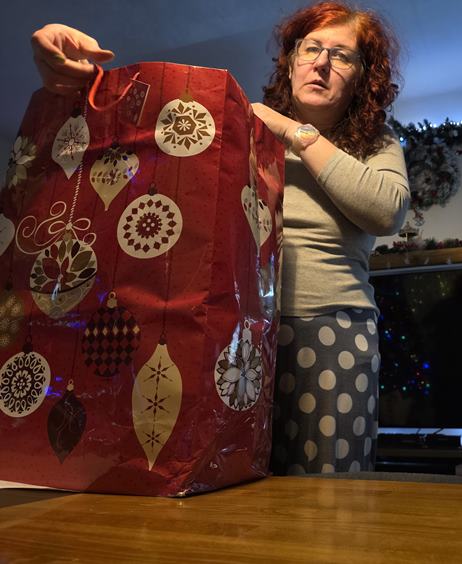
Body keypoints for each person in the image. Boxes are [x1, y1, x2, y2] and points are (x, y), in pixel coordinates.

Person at [31, 1, 410, 475]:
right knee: (236, 483)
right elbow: (150, 139)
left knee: (329, 489)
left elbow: (386, 210)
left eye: (342, 55)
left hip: (332, 328)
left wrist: (291, 131)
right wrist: (80, 81)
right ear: (291, 60)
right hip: (238, 330)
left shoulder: (375, 141)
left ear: (362, 77)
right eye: (311, 48)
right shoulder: (243, 127)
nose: (321, 63)